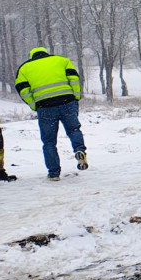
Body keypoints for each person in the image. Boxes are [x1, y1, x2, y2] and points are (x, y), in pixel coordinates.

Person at [14, 47, 89, 181]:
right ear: (46, 53)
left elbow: (22, 89)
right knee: (73, 129)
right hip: (67, 101)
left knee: (49, 141)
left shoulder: (25, 68)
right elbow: (74, 78)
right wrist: (75, 96)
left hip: (45, 106)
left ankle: (54, 173)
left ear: (32, 56)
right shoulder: (62, 60)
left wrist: (34, 105)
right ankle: (79, 150)